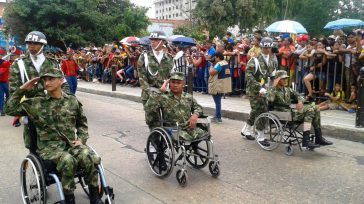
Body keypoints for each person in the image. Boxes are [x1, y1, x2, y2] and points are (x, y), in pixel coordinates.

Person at [5, 68, 103, 204]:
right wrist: (22, 89)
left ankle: (95, 196)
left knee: (88, 155)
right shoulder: (37, 103)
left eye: (51, 79)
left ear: (61, 80)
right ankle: (69, 199)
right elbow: (9, 109)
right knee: (67, 160)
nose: (47, 82)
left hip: (71, 144)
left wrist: (81, 139)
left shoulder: (72, 101)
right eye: (45, 80)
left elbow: (82, 123)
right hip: (49, 148)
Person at [9, 31, 69, 149]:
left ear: (42, 45)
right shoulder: (19, 64)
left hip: (54, 110)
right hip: (33, 110)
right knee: (33, 145)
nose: (32, 45)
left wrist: (67, 103)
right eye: (29, 43)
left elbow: (64, 85)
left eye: (36, 43)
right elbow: (14, 91)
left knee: (59, 144)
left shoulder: (53, 63)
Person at [267, 70, 333, 147]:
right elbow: (270, 100)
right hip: (282, 114)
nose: (285, 80)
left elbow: (298, 95)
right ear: (277, 80)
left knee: (316, 108)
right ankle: (306, 140)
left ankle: (318, 137)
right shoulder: (273, 90)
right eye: (283, 78)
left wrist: (300, 101)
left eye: (286, 78)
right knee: (310, 110)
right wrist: (273, 86)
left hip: (290, 113)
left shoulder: (287, 89)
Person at [144, 72, 206, 140]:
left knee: (205, 133)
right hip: (172, 129)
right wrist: (160, 91)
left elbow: (198, 107)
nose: (175, 85)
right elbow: (148, 107)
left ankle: (193, 147)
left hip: (187, 127)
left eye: (178, 83)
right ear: (169, 83)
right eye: (173, 82)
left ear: (183, 84)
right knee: (184, 137)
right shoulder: (163, 97)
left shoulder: (188, 97)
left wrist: (195, 115)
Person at [241, 37, 277, 143]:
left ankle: (246, 130)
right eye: (265, 48)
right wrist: (259, 87)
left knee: (255, 110)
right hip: (253, 90)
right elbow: (249, 76)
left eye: (269, 48)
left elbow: (272, 76)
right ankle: (261, 136)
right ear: (261, 47)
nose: (267, 50)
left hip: (263, 90)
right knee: (261, 110)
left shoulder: (271, 61)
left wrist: (274, 87)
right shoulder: (254, 60)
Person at [137, 31, 173, 130]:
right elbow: (142, 77)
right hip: (150, 93)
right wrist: (150, 92)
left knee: (169, 121)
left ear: (163, 42)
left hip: (165, 92)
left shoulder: (169, 58)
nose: (153, 43)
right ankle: (154, 143)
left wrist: (169, 87)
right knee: (153, 122)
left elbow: (172, 76)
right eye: (152, 40)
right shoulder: (144, 57)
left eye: (156, 40)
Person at [208, 51, 232, 123]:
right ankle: (217, 116)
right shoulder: (225, 63)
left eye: (215, 57)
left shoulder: (218, 64)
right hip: (223, 85)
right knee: (218, 101)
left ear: (218, 57)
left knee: (217, 101)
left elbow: (211, 72)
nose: (214, 58)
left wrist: (211, 65)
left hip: (217, 85)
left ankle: (218, 117)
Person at [0, 50, 11, 116]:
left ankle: (7, 107)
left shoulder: (5, 63)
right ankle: (2, 109)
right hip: (1, 83)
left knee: (8, 95)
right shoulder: (4, 62)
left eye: (1, 54)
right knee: (1, 96)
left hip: (6, 82)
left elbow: (2, 71)